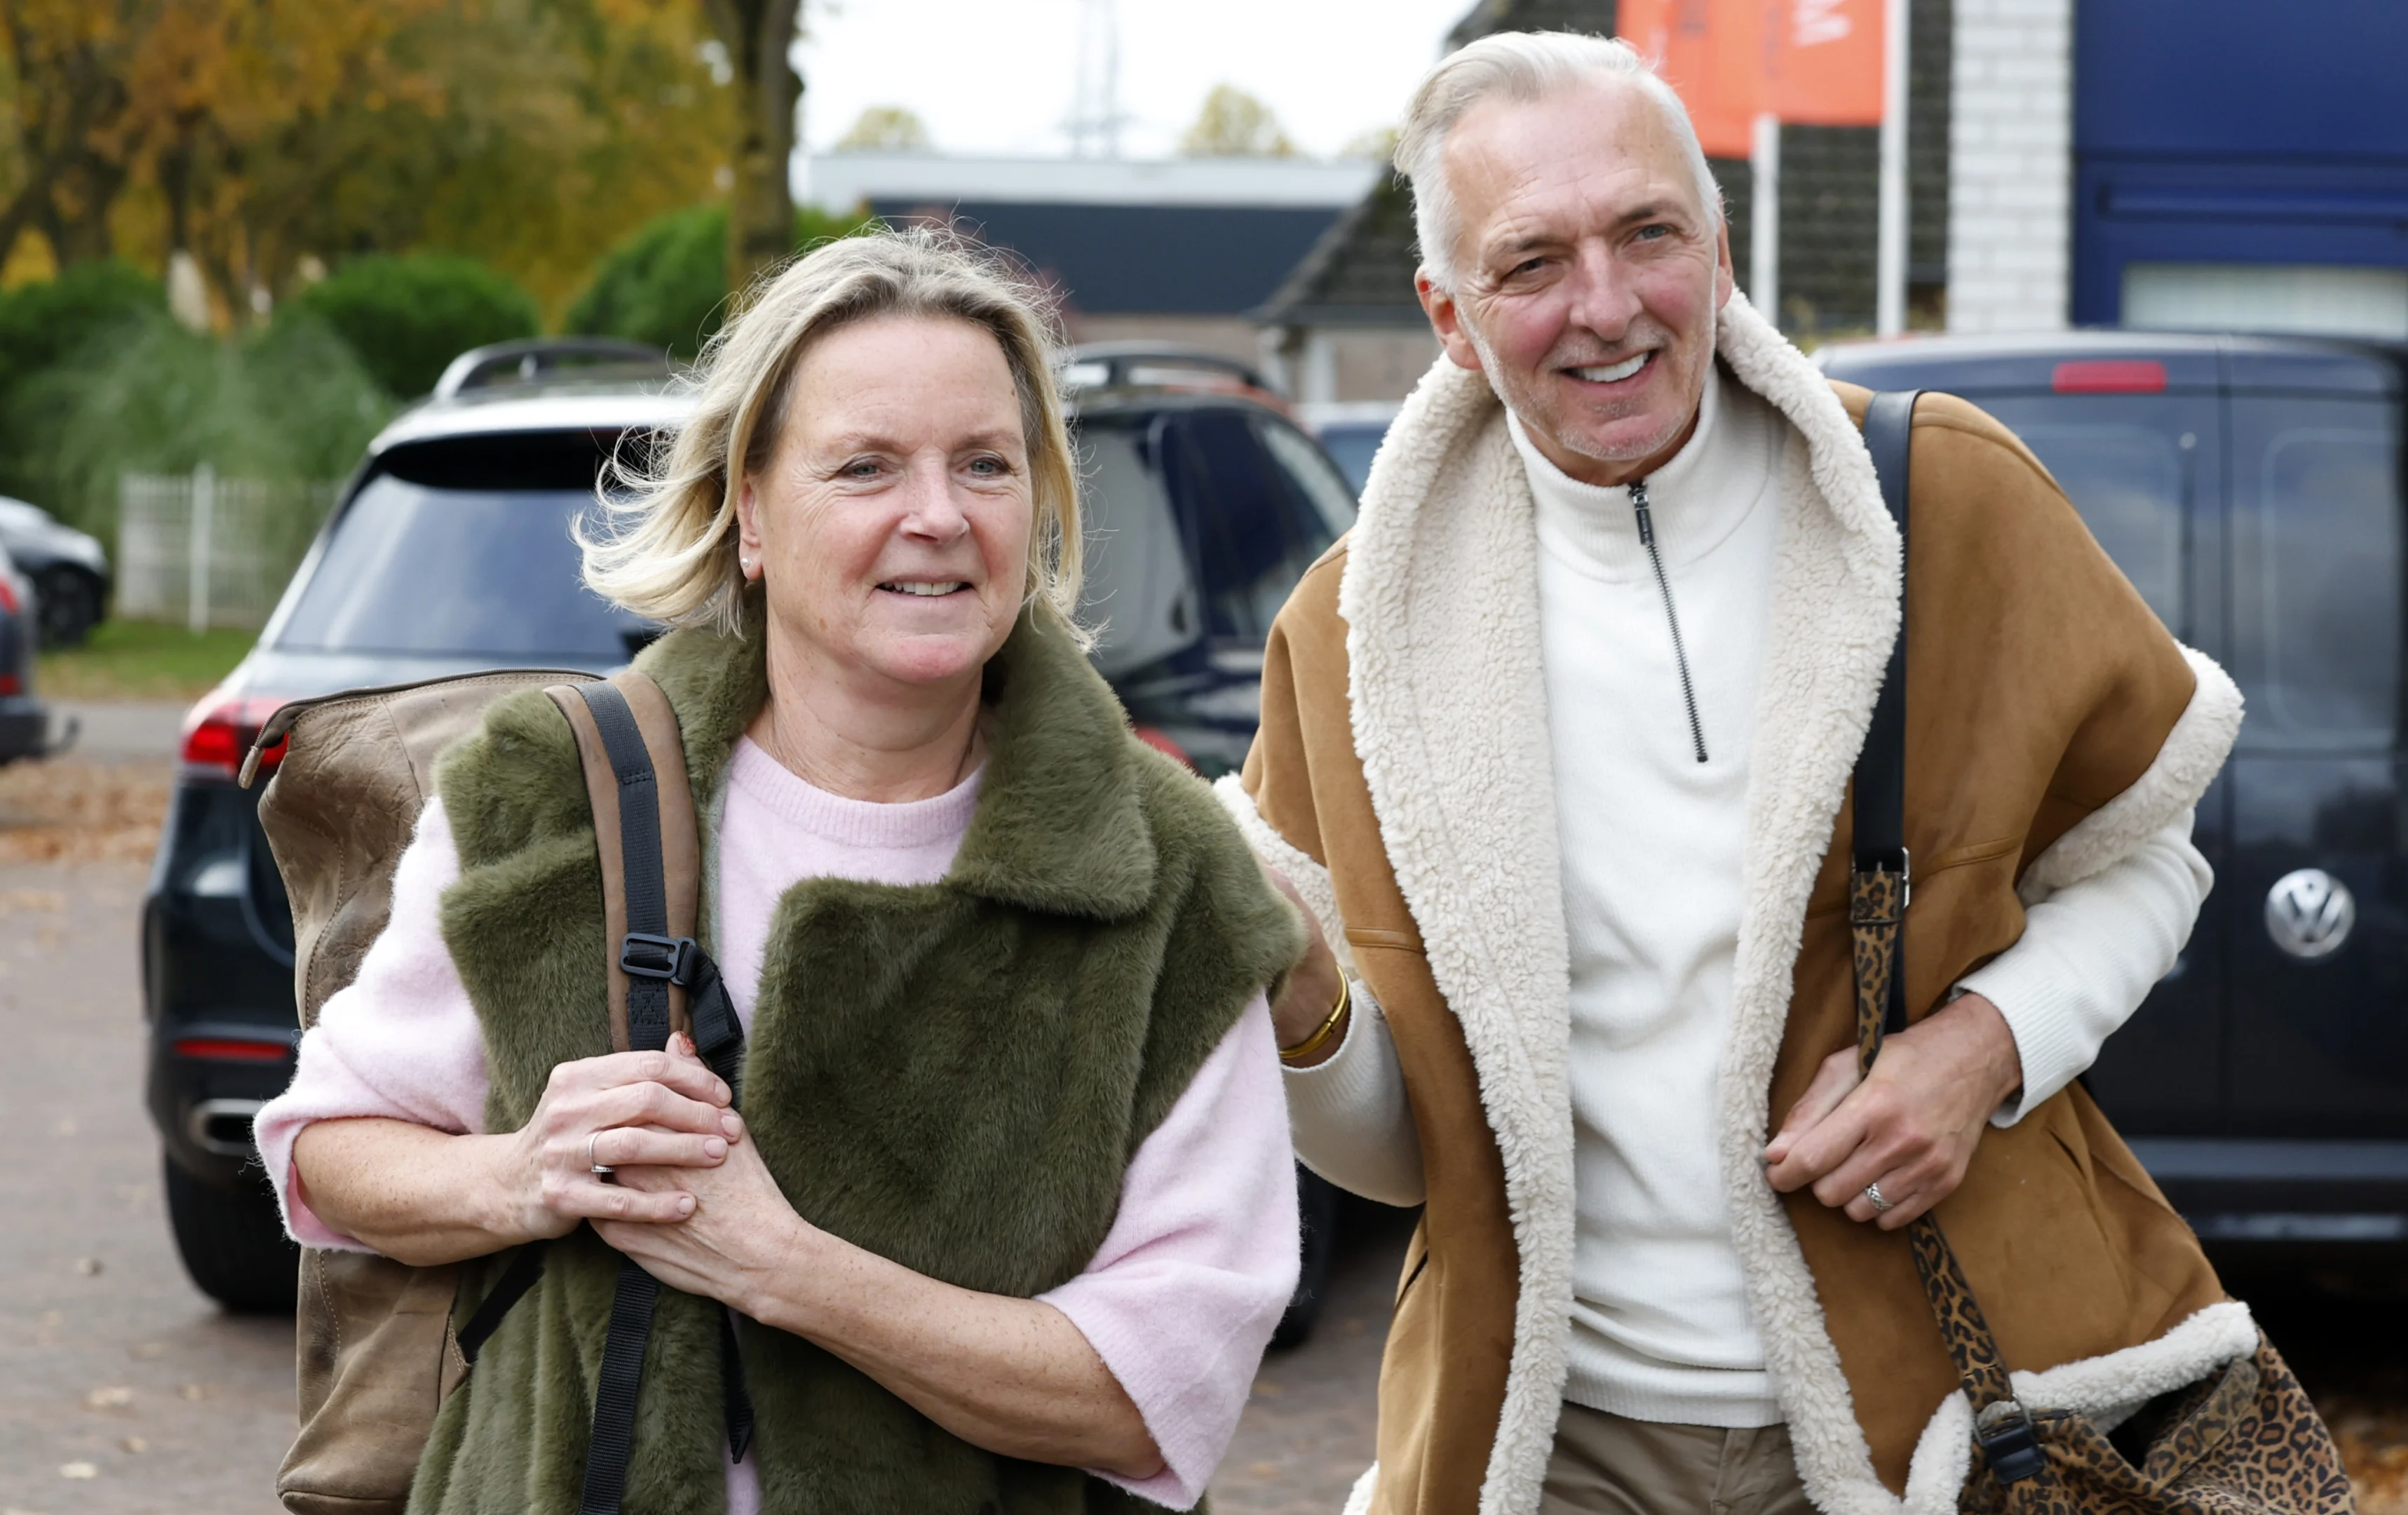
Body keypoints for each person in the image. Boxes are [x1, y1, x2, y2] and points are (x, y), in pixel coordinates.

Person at [1223, 32, 2251, 1515]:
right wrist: (1304, 1013)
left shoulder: (1938, 499)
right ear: (1450, 317)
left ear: (1718, 245)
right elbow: (1405, 1160)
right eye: (1532, 264)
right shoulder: (1349, 639)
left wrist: (1984, 1047)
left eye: (1648, 234)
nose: (1608, 305)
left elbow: (2152, 852)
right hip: (1552, 1440)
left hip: (1955, 1414)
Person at [255, 229, 1307, 1514]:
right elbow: (331, 1149)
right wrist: (520, 1172)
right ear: (751, 511)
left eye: (985, 462)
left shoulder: (1167, 873)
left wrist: (783, 1267)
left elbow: (1159, 1390)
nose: (938, 515)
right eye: (865, 466)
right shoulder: (556, 791)